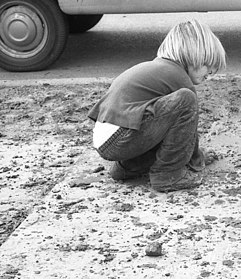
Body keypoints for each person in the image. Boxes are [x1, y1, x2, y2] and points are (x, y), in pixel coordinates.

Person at [88, 19, 226, 192]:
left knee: (166, 126)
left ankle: (127, 168)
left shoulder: (159, 68)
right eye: (207, 65)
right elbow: (188, 132)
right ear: (191, 56)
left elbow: (166, 131)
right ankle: (168, 176)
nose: (211, 73)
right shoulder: (177, 76)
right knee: (187, 100)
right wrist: (197, 159)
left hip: (108, 140)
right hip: (121, 138)